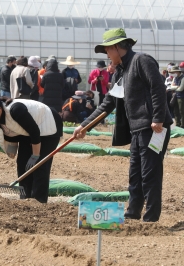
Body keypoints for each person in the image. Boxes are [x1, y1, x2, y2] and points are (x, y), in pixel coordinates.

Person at [73, 28, 172, 222]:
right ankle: (132, 213)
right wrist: (84, 125)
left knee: (150, 173)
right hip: (137, 129)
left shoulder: (141, 61)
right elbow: (108, 103)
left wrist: (158, 118)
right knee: (135, 174)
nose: (107, 55)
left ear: (117, 47)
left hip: (154, 128)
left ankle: (151, 219)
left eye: (108, 50)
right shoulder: (120, 72)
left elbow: (158, 87)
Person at [0, 95, 62, 203]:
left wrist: (35, 155)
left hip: (48, 125)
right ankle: (25, 200)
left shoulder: (15, 110)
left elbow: (34, 131)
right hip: (27, 132)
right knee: (22, 163)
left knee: (40, 165)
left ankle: (39, 202)